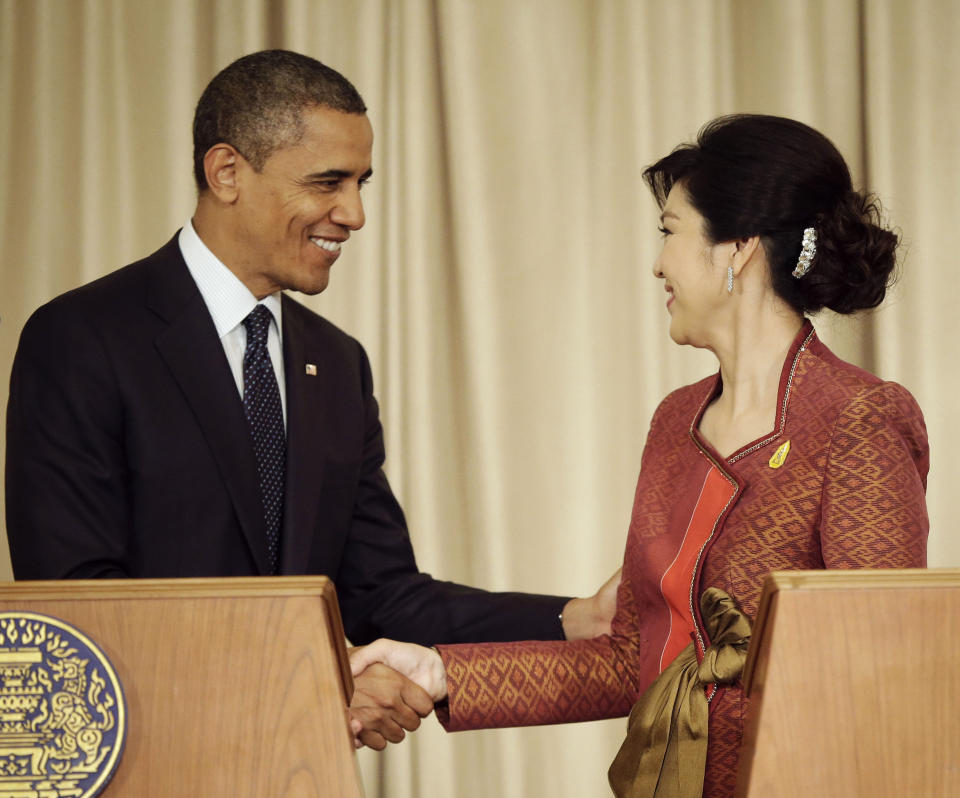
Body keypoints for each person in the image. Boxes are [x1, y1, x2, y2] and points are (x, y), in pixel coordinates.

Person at [4, 50, 619, 751]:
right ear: (227, 172)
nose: (353, 214)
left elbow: (382, 593)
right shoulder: (82, 337)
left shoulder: (336, 361)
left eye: (361, 183)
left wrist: (573, 619)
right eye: (328, 182)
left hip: (300, 762)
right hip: (147, 757)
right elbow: (76, 600)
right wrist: (307, 679)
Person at [349, 114, 930, 795]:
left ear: (738, 247)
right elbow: (632, 659)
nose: (658, 262)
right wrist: (440, 671)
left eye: (670, 231)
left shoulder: (858, 418)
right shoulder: (674, 421)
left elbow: (886, 675)